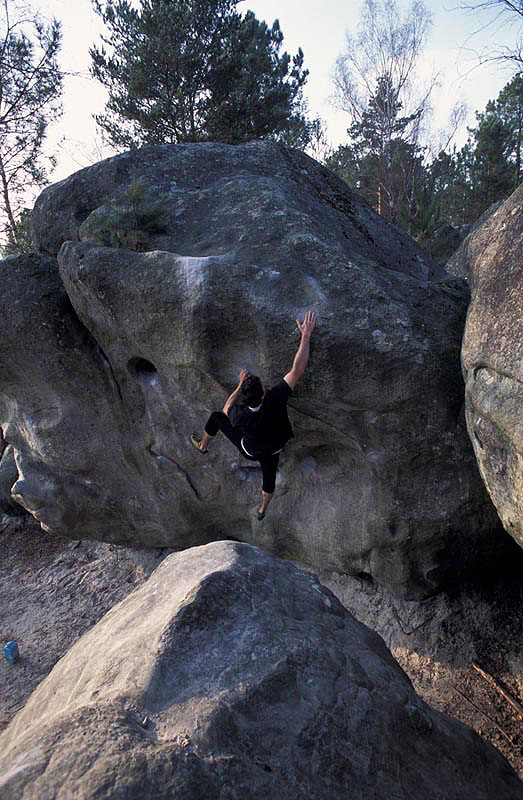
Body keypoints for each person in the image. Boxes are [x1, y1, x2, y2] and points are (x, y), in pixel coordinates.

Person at [190, 311, 317, 520]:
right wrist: (306, 336)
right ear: (264, 392)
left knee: (215, 417)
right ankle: (262, 510)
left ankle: (203, 446)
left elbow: (226, 407)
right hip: (275, 446)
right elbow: (297, 369)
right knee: (269, 479)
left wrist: (240, 385)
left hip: (250, 449)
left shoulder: (239, 415)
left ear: (245, 399)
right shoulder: (276, 398)